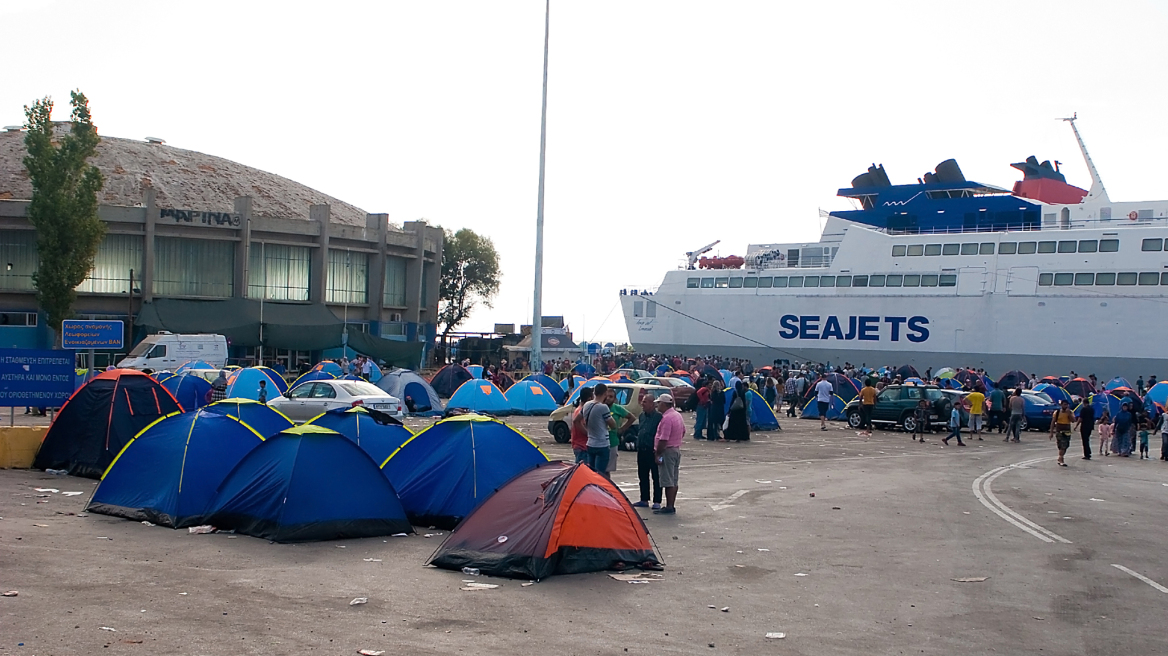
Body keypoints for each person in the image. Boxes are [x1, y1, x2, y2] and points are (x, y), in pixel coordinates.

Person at [653, 394, 684, 515]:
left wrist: (658, 454)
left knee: (667, 480)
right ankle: (671, 504)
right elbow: (684, 431)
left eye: (659, 403)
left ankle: (669, 506)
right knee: (674, 479)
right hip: (675, 449)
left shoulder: (666, 418)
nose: (657, 405)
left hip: (667, 451)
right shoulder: (677, 415)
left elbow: (663, 439)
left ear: (665, 404)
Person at [632, 394, 663, 509]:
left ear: (652, 404)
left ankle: (657, 501)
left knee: (656, 476)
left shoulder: (659, 417)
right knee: (642, 475)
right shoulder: (642, 416)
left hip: (653, 450)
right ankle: (644, 499)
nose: (642, 404)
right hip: (642, 449)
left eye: (645, 402)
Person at [582, 383, 615, 474]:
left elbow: (578, 420)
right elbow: (613, 424)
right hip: (602, 444)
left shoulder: (586, 405)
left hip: (590, 442)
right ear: (605, 394)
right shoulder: (603, 407)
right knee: (600, 474)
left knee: (591, 473)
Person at [606, 387, 633, 476]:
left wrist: (622, 429)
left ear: (614, 399)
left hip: (612, 441)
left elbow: (631, 417)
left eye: (611, 397)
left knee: (607, 470)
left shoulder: (617, 408)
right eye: (607, 396)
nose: (608, 398)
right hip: (600, 441)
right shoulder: (599, 407)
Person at [570, 387, 595, 464]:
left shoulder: (579, 410)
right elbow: (578, 423)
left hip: (581, 446)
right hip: (582, 447)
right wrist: (590, 435)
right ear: (589, 398)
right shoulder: (581, 412)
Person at [1050, 399, 1074, 467]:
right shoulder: (1057, 412)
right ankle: (1061, 459)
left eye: (1067, 405)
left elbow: (1073, 420)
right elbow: (1053, 422)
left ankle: (1060, 457)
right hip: (1059, 431)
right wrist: (1051, 432)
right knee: (1061, 446)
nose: (1065, 406)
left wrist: (1069, 414)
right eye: (1064, 404)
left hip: (1067, 431)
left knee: (1066, 445)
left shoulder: (1070, 412)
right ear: (1061, 405)